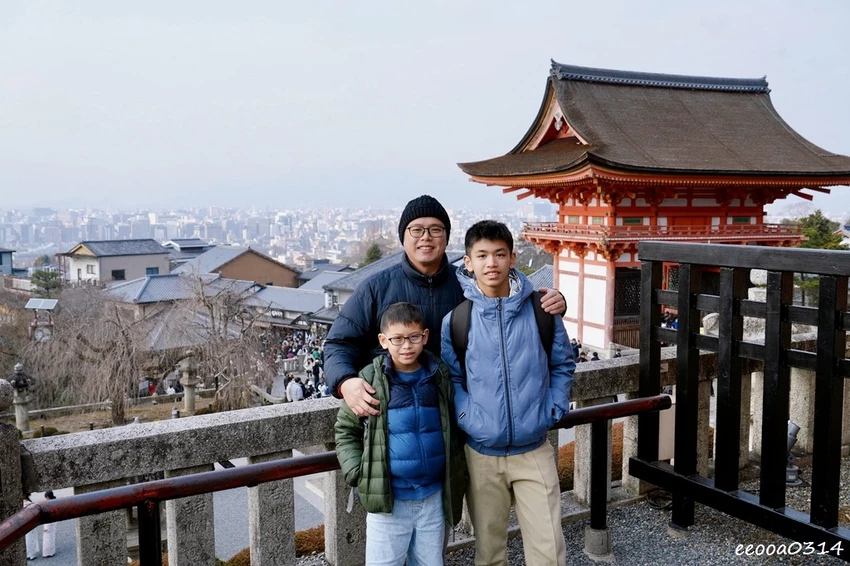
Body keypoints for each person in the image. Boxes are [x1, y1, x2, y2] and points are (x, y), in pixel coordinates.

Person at [324, 194, 567, 418]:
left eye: (435, 229)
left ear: (447, 237)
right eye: (416, 229)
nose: (426, 237)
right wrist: (345, 382)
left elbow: (509, 309)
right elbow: (339, 343)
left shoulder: (470, 287)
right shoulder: (375, 288)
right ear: (403, 237)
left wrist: (553, 302)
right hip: (395, 418)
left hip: (456, 417)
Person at [440, 220, 574, 566]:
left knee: (549, 550)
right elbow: (452, 378)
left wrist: (553, 407)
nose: (491, 263)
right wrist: (468, 416)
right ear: (467, 262)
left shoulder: (542, 311)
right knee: (489, 551)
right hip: (482, 453)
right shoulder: (457, 320)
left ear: (513, 257)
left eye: (499, 254)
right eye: (481, 255)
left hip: (534, 448)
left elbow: (562, 364)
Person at [335, 302, 467, 566]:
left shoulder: (438, 375)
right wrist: (359, 473)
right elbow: (345, 429)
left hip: (433, 497)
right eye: (397, 339)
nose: (406, 346)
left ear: (425, 336)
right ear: (384, 341)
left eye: (413, 337)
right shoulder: (371, 378)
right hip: (388, 500)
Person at [23, 494, 39, 559]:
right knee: (32, 538)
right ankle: (32, 554)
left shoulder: (24, 505)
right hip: (31, 523)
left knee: (28, 539)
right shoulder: (31, 503)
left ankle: (29, 554)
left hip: (26, 523)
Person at [42, 490, 57, 558]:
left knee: (47, 536)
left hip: (48, 521)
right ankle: (52, 551)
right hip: (53, 521)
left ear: (47, 497)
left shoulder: (48, 503)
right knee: (51, 536)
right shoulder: (55, 501)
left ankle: (47, 552)